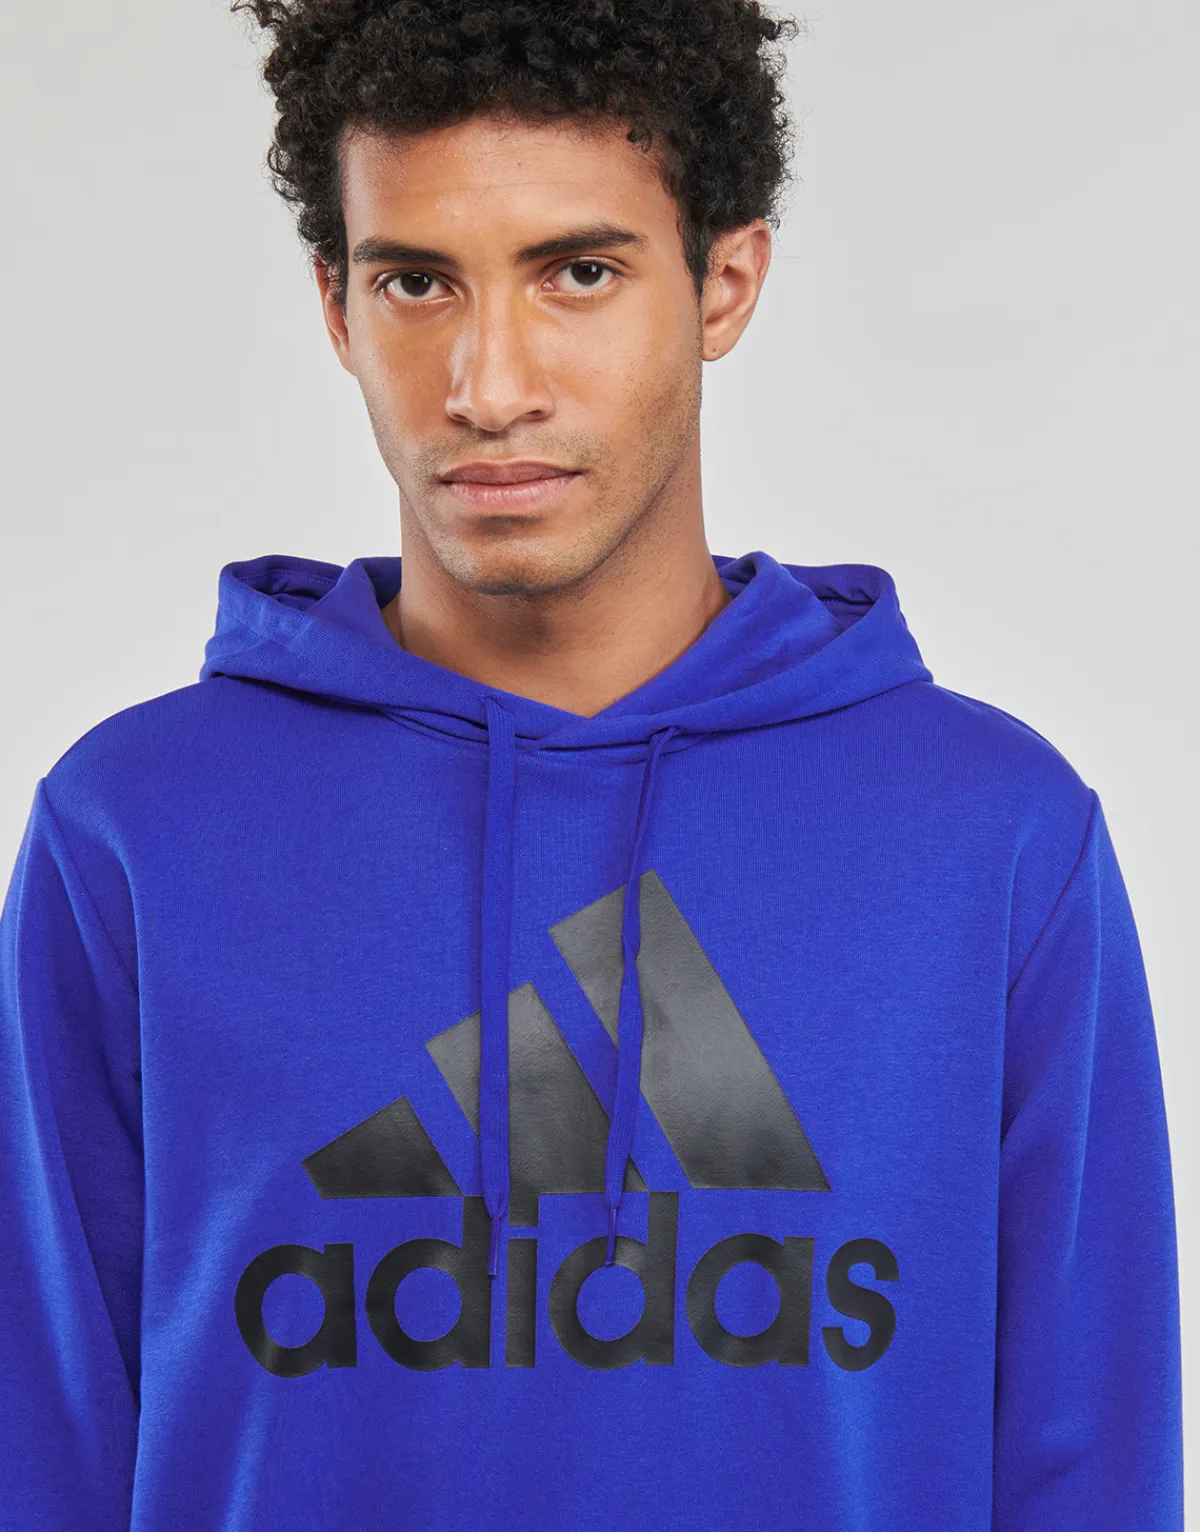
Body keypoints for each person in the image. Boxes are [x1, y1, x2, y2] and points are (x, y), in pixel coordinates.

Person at [0, 0, 1183, 1526]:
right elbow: (41, 1455)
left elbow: (1093, 1472)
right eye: (417, 280)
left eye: (578, 272)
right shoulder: (135, 837)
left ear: (725, 281)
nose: (489, 384)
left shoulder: (991, 839)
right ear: (337, 306)